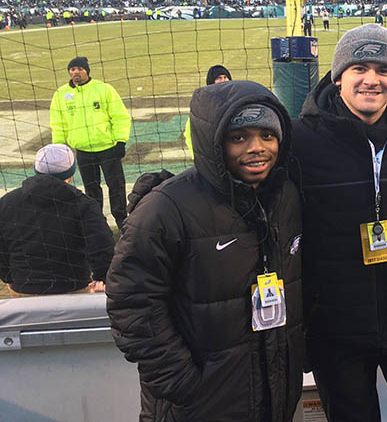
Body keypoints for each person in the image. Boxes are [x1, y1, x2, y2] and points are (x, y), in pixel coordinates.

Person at [106, 80, 303, 421]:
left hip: (273, 394)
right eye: (239, 137)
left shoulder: (285, 197)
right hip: (200, 404)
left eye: (267, 136)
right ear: (214, 143)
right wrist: (185, 384)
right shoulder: (166, 208)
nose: (257, 148)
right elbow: (130, 303)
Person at [292, 23, 387, 421]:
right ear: (338, 76)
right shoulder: (300, 140)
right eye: (359, 68)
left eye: (383, 70)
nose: (371, 80)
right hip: (337, 326)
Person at [0, 144, 114, 296]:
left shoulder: (7, 202)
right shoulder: (83, 204)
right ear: (71, 173)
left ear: (36, 169)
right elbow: (101, 248)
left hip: (24, 288)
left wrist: (10, 278)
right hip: (73, 290)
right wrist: (103, 280)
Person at [50, 56, 131, 230]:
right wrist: (59, 147)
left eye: (79, 69)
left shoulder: (104, 89)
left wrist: (120, 141)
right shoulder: (61, 94)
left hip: (108, 148)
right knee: (91, 189)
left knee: (116, 186)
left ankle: (122, 220)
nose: (75, 72)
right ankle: (97, 222)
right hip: (83, 151)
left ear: (87, 70)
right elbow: (58, 124)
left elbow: (120, 116)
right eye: (72, 69)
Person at [184, 64, 232, 157]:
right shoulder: (203, 103)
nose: (223, 80)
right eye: (219, 78)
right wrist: (197, 157)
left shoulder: (236, 98)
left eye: (225, 77)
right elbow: (190, 132)